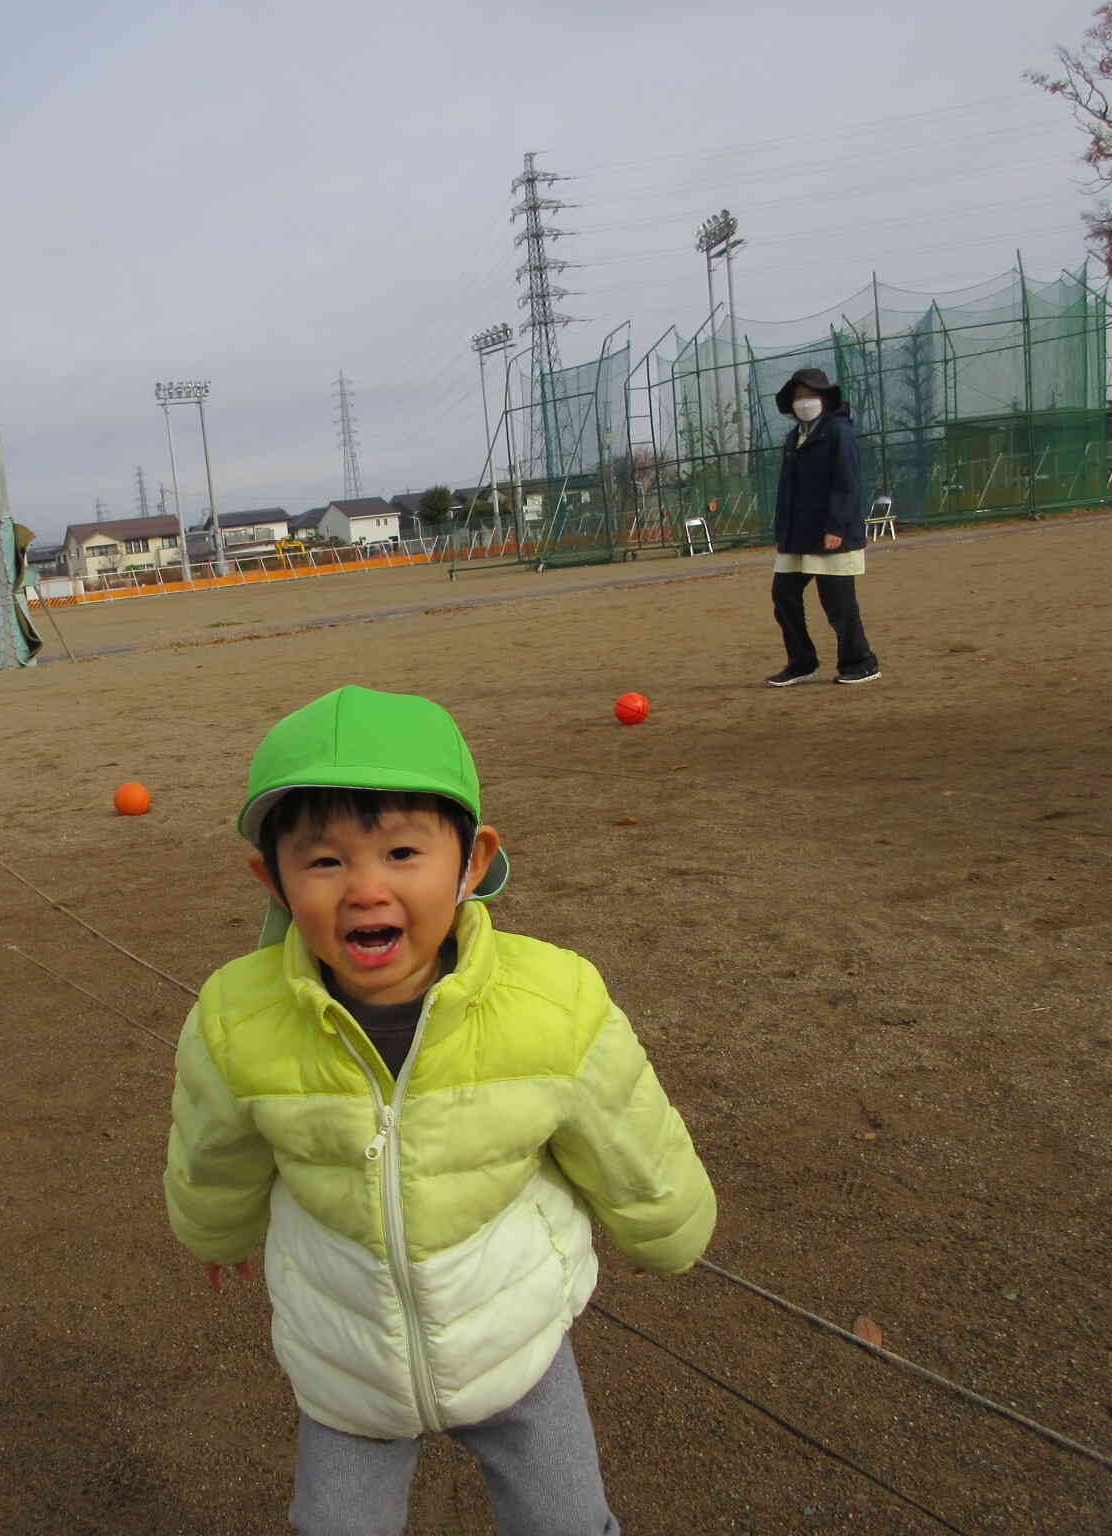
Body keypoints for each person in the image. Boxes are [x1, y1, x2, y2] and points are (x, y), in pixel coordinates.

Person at [164, 685, 716, 1536]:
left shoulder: (551, 1001)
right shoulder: (239, 1019)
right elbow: (215, 1151)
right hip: (345, 1358)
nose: (365, 889)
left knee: (566, 1522)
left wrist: (667, 1229)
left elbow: (626, 1126)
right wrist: (214, 1230)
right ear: (268, 877)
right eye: (323, 861)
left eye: (401, 853)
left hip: (514, 1336)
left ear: (470, 861)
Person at [766, 366, 882, 686]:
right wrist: (782, 529)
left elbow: (847, 482)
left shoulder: (838, 431)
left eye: (810, 395)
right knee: (783, 595)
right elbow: (787, 488)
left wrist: (836, 526)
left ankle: (860, 661)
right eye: (798, 396)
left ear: (825, 398)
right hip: (796, 535)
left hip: (832, 533)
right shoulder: (793, 438)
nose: (804, 401)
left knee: (838, 603)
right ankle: (801, 662)